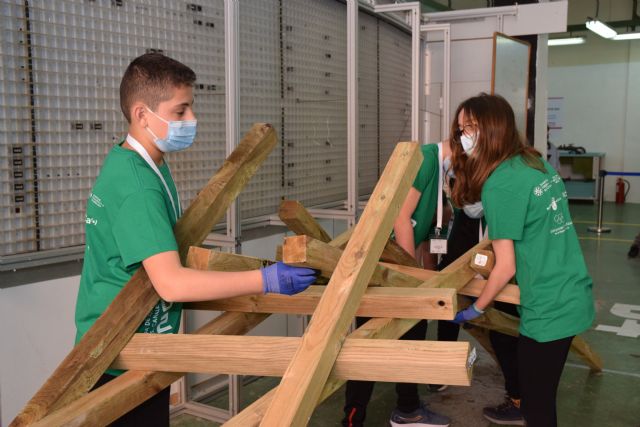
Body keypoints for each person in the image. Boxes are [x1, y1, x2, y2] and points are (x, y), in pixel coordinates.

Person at [74, 53, 316, 426]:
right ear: (142, 114)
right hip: (118, 355)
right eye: (180, 111)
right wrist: (266, 279)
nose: (192, 121)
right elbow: (171, 283)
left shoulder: (144, 165)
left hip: (140, 346)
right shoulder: (137, 187)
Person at [449, 93, 595, 427]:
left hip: (548, 307)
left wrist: (477, 307)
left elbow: (506, 267)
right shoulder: (534, 162)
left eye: (470, 127)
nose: (463, 136)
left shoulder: (500, 184)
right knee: (539, 397)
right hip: (572, 291)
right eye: (460, 129)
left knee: (537, 408)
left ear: (493, 128)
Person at [342, 140, 452, 427]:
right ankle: (356, 417)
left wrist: (430, 281)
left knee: (409, 331)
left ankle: (407, 408)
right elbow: (400, 216)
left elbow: (427, 238)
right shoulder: (427, 159)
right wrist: (409, 275)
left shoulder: (441, 177)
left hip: (398, 265)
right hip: (380, 264)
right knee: (370, 338)